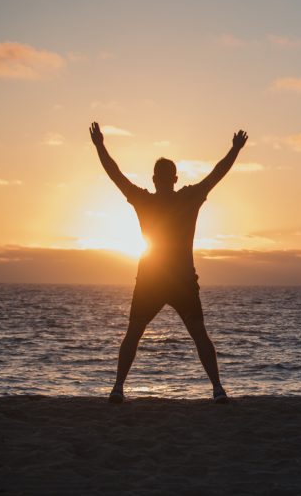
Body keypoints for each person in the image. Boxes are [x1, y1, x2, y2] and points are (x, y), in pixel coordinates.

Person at [89, 121, 248, 404]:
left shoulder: (144, 199)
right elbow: (217, 174)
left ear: (154, 179)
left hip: (153, 278)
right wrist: (234, 149)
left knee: (134, 333)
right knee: (198, 333)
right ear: (174, 178)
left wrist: (100, 146)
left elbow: (115, 174)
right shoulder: (188, 197)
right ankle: (218, 389)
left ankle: (117, 389)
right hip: (180, 280)